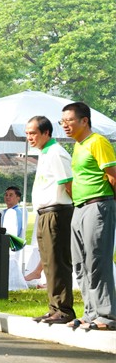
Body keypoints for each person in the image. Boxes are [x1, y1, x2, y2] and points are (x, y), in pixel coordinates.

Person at [61, 101, 116, 331]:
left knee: (97, 261)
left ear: (85, 121)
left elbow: (113, 176)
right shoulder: (78, 145)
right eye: (62, 122)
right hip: (80, 207)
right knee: (80, 263)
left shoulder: (98, 142)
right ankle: (90, 312)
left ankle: (107, 316)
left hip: (99, 205)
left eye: (69, 120)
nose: (65, 125)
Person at [25, 116, 75, 324]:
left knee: (58, 262)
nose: (30, 138)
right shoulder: (45, 153)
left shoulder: (56, 153)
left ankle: (64, 309)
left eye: (33, 133)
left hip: (58, 212)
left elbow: (69, 184)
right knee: (48, 262)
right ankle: (54, 307)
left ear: (46, 133)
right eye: (27, 134)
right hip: (45, 213)